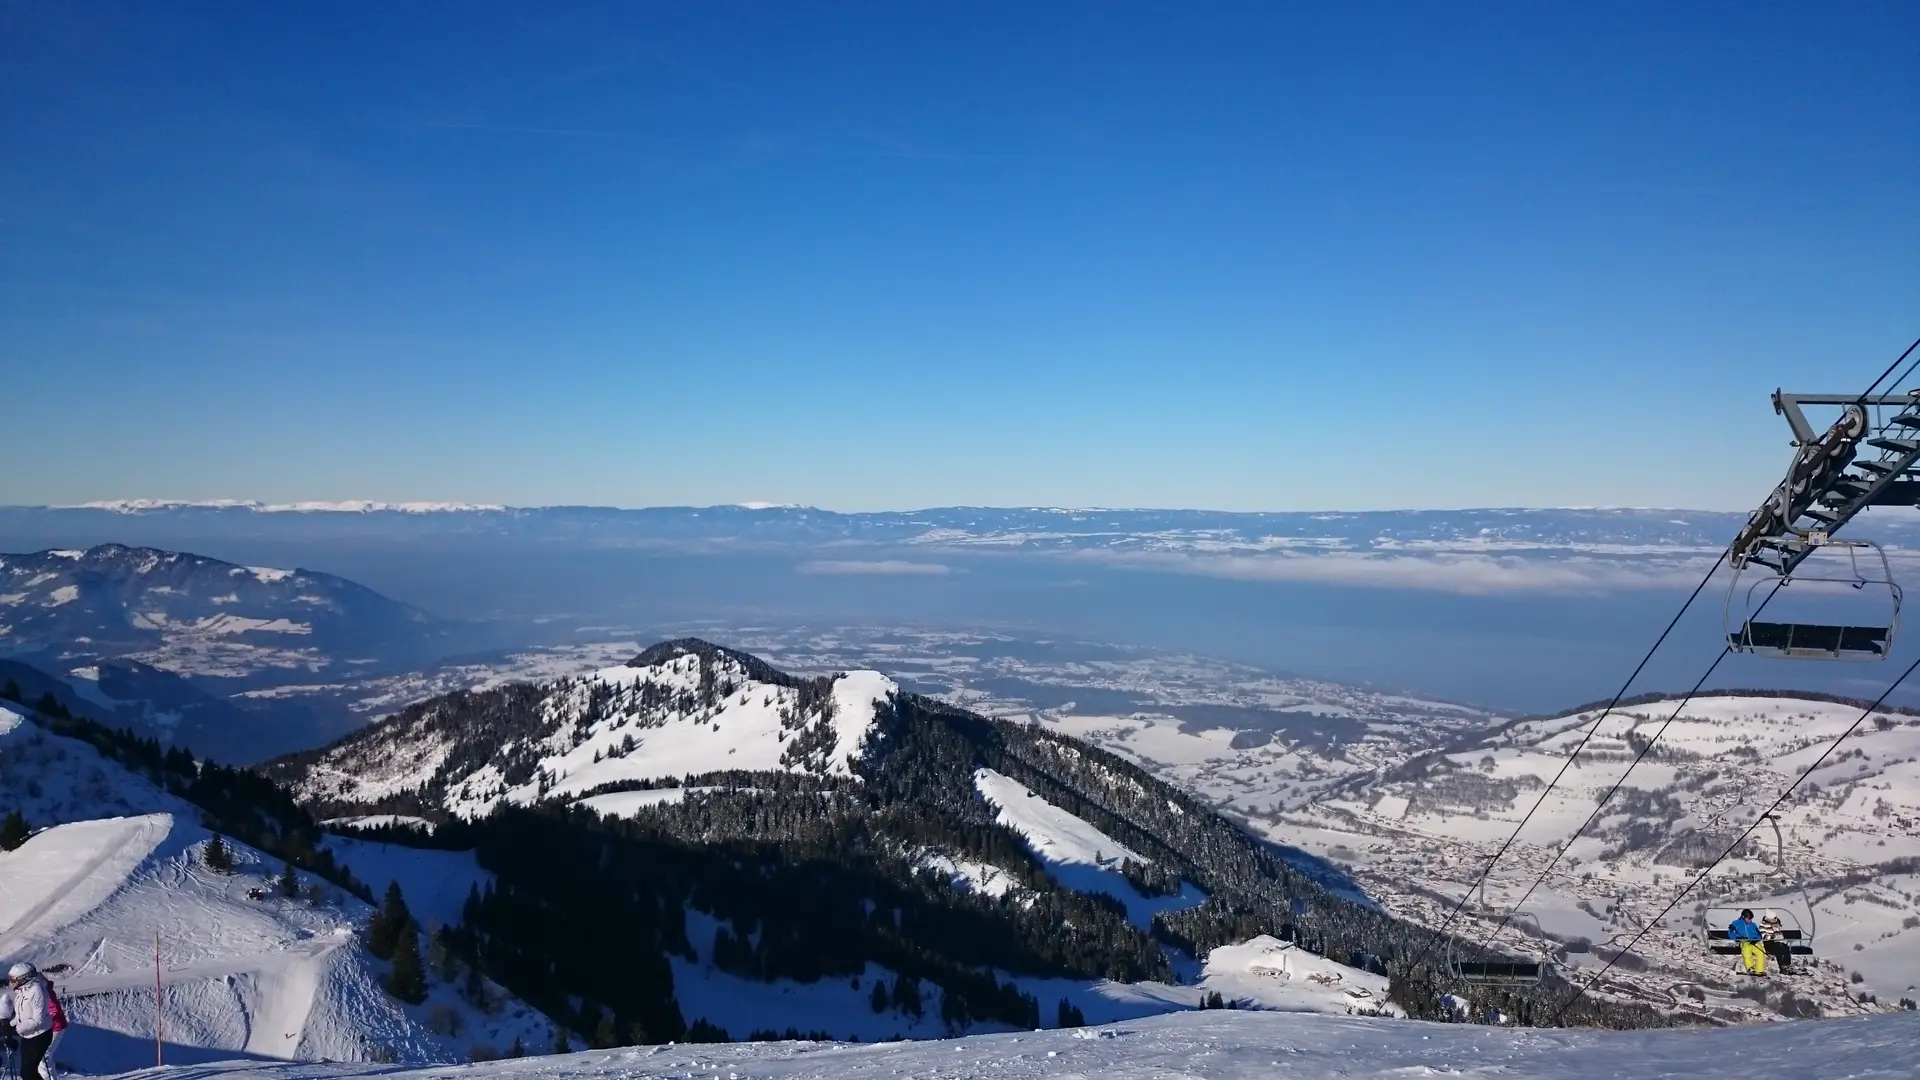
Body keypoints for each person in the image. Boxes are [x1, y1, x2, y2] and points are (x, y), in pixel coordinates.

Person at [0, 962, 66, 1080]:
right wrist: (10, 1025)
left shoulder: (38, 990)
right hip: (31, 1032)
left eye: (13, 979)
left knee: (43, 1061)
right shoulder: (23, 990)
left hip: (48, 1028)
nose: (10, 983)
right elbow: (23, 1014)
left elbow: (40, 1017)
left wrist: (16, 1028)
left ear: (23, 978)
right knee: (28, 1071)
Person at [1728, 909, 1766, 976]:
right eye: (1748, 919)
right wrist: (1738, 938)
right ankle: (1750, 968)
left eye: (1751, 919)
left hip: (1753, 942)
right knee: (1746, 950)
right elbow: (1730, 933)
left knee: (1761, 951)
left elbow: (1759, 935)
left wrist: (1755, 940)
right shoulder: (1736, 923)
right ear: (1743, 917)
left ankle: (1759, 970)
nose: (1750, 920)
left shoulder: (1753, 925)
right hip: (1744, 942)